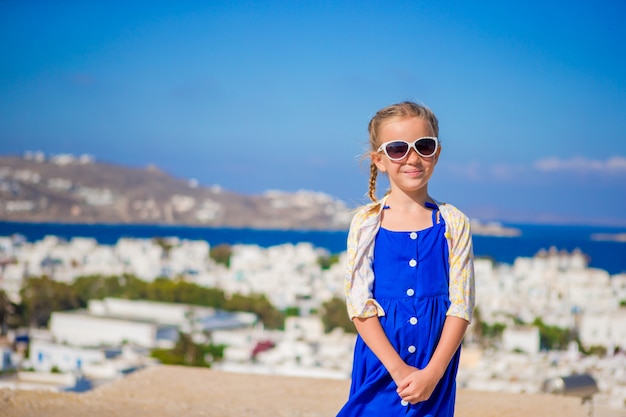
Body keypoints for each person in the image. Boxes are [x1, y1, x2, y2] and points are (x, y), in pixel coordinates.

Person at [337, 101, 475, 416]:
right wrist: (398, 369)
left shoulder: (454, 223)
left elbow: (462, 303)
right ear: (380, 160)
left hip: (434, 365)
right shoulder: (366, 223)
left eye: (424, 146)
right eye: (398, 149)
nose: (413, 158)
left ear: (437, 152)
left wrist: (434, 372)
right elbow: (359, 304)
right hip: (382, 362)